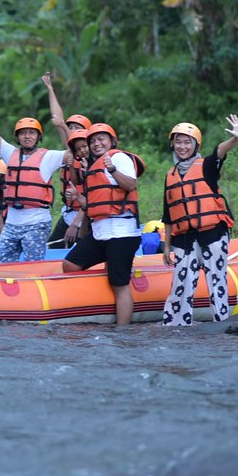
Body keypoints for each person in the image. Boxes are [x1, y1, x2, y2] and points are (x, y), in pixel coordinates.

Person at [159, 115, 238, 326]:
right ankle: (175, 325)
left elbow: (220, 152)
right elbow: (169, 215)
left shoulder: (206, 165)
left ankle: (221, 323)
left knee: (217, 281)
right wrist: (167, 245)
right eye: (178, 142)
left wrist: (235, 139)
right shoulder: (170, 175)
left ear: (196, 144)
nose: (182, 146)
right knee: (180, 284)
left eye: (187, 142)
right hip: (184, 240)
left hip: (212, 234)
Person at [0, 85, 67, 263]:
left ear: (39, 137)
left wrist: (63, 127)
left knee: (32, 267)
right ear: (18, 137)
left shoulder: (49, 157)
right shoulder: (10, 154)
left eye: (32, 133)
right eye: (23, 133)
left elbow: (72, 150)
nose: (27, 136)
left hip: (37, 222)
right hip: (12, 223)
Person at [62, 123, 144, 325]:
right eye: (93, 141)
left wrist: (113, 169)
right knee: (70, 264)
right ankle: (96, 301)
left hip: (121, 234)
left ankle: (122, 330)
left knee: (120, 285)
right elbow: (94, 205)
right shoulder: (93, 167)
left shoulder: (118, 158)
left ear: (112, 141)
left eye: (101, 139)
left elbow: (130, 184)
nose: (96, 143)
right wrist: (78, 197)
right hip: (100, 233)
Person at [51, 127, 91, 248]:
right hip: (72, 213)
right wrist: (72, 166)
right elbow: (74, 182)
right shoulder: (80, 162)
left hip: (87, 217)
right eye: (79, 149)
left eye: (85, 146)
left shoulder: (98, 165)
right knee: (53, 246)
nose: (82, 150)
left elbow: (88, 200)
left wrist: (74, 225)